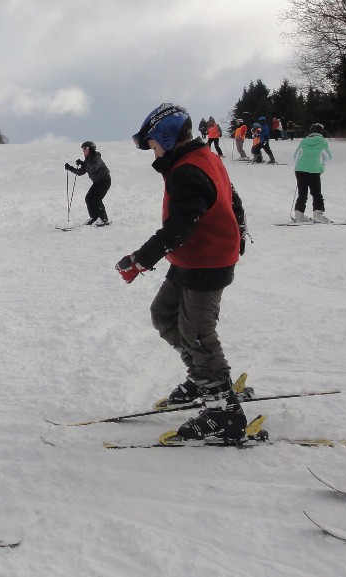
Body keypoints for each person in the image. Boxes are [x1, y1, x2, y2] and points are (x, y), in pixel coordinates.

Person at [120, 103, 250, 442]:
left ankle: (223, 413)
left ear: (166, 138)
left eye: (153, 144)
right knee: (164, 314)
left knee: (197, 334)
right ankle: (202, 376)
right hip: (191, 260)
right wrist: (239, 230)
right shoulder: (201, 157)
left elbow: (179, 228)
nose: (153, 151)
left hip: (207, 262)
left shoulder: (186, 172)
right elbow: (232, 197)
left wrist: (139, 260)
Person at [292, 123, 333, 223]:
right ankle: (318, 215)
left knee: (302, 193)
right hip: (314, 170)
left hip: (300, 170)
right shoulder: (323, 141)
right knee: (316, 193)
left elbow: (296, 155)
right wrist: (321, 165)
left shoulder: (304, 141)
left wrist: (301, 165)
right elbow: (328, 157)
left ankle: (299, 215)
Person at [64, 141, 112, 226]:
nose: (83, 150)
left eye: (85, 148)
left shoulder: (96, 157)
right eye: (83, 149)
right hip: (97, 182)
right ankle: (94, 218)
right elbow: (80, 172)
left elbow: (94, 167)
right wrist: (70, 168)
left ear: (91, 149)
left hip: (104, 181)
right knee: (88, 198)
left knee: (96, 199)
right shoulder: (87, 160)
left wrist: (83, 164)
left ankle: (103, 220)